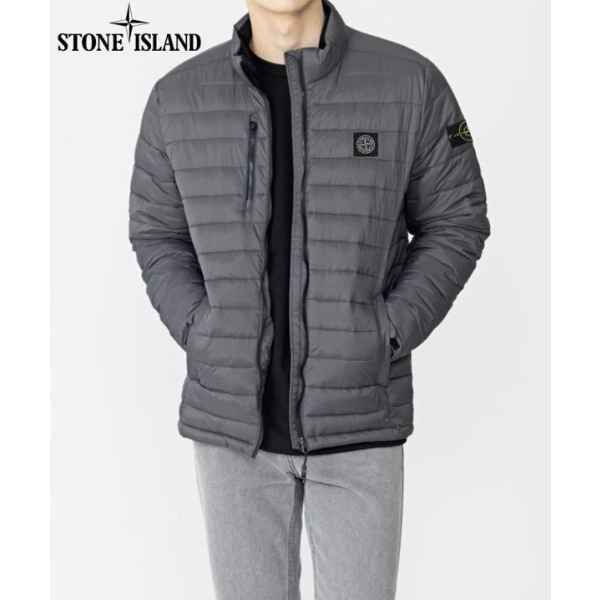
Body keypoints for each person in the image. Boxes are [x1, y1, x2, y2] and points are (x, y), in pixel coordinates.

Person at [129, 1, 489, 598]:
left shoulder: (410, 83)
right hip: (232, 431)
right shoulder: (177, 98)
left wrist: (387, 332)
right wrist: (199, 328)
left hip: (359, 419)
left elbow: (457, 220)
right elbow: (157, 233)